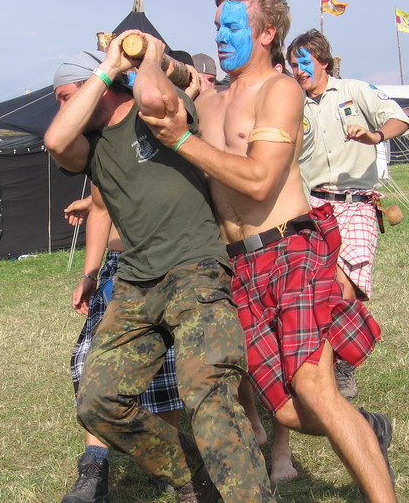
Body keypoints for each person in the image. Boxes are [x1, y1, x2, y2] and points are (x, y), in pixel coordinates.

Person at [139, 0, 396, 501]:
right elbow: (162, 86)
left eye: (233, 27)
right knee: (286, 409)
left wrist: (182, 139)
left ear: (266, 33)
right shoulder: (210, 95)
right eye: (217, 26)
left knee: (314, 387)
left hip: (289, 250)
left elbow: (258, 179)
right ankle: (366, 428)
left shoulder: (280, 90)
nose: (220, 36)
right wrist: (148, 55)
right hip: (239, 266)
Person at [44, 35, 274, 502]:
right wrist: (106, 69)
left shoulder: (161, 108)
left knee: (208, 394)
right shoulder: (90, 149)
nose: (64, 109)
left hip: (195, 269)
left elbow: (151, 97)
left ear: (100, 87)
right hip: (135, 283)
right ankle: (195, 476)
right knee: (97, 401)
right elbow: (55, 139)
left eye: (67, 97)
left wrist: (146, 56)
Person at [286, 29, 409, 399]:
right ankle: (322, 363)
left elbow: (399, 119)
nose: (298, 70)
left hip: (357, 204)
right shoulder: (293, 104)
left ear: (323, 61)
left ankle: (343, 363)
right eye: (293, 64)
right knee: (322, 287)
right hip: (313, 206)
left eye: (304, 62)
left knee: (347, 289)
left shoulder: (354, 91)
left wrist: (374, 136)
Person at [61, 188, 182, 503]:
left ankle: (165, 459)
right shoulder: (106, 155)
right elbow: (107, 197)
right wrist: (89, 274)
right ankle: (94, 469)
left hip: (170, 259)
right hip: (120, 263)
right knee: (91, 362)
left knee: (165, 368)